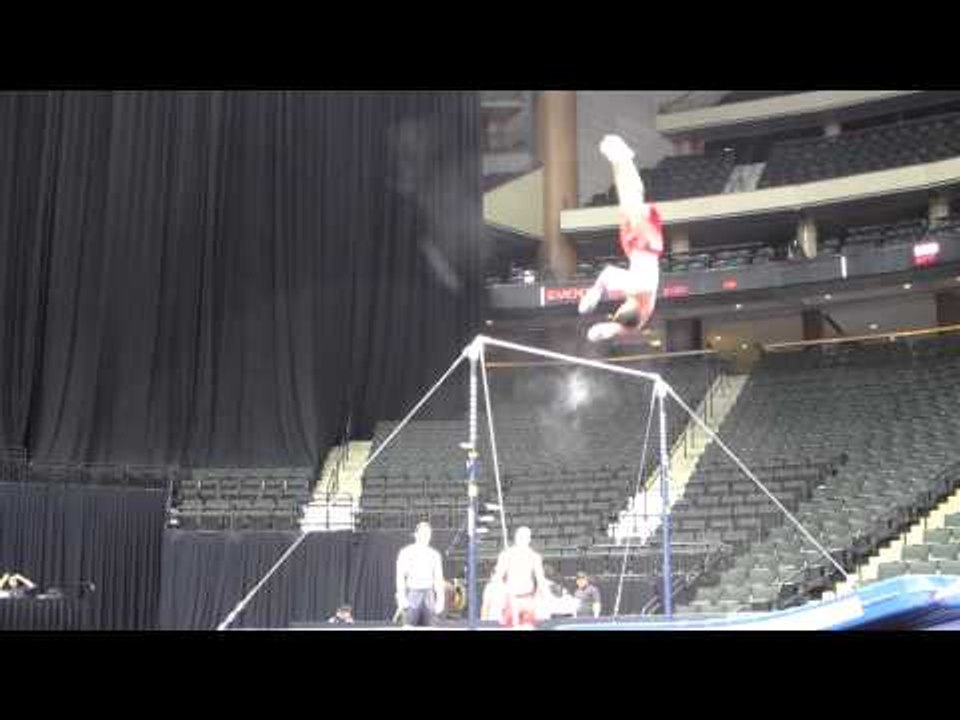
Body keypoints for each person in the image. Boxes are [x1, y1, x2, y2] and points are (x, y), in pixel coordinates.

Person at [578, 134, 663, 343]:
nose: (620, 303)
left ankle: (619, 159)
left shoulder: (639, 316)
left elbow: (622, 328)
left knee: (626, 199)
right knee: (631, 197)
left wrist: (610, 328)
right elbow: (607, 273)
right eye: (621, 306)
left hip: (638, 248)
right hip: (645, 244)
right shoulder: (638, 290)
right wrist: (594, 294)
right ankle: (622, 157)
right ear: (627, 308)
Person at [491, 526, 548, 629]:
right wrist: (497, 603)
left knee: (528, 627)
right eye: (520, 536)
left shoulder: (534, 556)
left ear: (529, 539)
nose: (523, 539)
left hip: (528, 598)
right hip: (511, 598)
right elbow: (497, 577)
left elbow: (541, 580)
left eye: (526, 537)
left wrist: (546, 601)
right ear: (516, 538)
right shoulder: (506, 555)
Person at [395, 521, 445, 628]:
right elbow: (400, 577)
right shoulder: (406, 552)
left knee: (431, 628)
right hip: (412, 593)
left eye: (428, 534)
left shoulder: (434, 555)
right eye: (423, 533)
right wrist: (401, 597)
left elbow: (438, 579)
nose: (426, 536)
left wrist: (441, 600)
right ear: (416, 534)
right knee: (408, 627)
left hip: (429, 594)